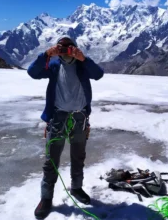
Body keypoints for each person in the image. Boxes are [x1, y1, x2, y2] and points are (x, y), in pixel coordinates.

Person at [27, 35, 104, 219]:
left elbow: (99, 74)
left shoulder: (83, 66)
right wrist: (46, 55)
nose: (65, 51)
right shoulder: (53, 65)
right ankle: (46, 198)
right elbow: (33, 72)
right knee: (50, 160)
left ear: (75, 49)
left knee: (78, 157)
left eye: (69, 47)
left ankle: (76, 188)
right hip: (57, 117)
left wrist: (83, 58)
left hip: (80, 117)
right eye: (61, 47)